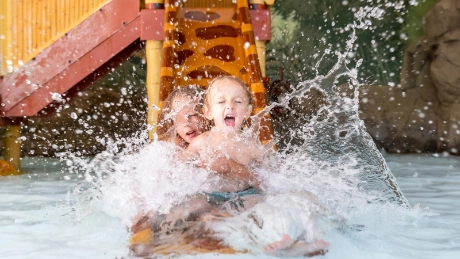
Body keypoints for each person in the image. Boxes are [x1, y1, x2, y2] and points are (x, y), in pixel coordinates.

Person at [186, 75, 330, 257]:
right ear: (208, 112)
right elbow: (180, 169)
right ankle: (275, 242)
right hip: (214, 199)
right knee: (205, 216)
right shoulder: (202, 143)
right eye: (221, 101)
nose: (229, 106)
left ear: (247, 112)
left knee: (263, 207)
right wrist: (199, 167)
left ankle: (288, 237)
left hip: (247, 195)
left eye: (237, 102)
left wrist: (237, 170)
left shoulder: (251, 146)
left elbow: (269, 179)